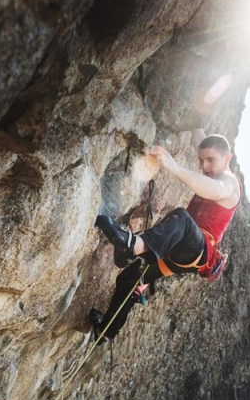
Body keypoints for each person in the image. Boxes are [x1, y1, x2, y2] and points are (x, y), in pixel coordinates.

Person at [90, 129, 242, 341]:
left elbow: (216, 191)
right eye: (201, 160)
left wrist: (175, 168)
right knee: (130, 279)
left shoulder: (229, 182)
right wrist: (196, 121)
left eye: (211, 160)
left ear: (227, 158)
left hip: (198, 248)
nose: (204, 166)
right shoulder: (213, 168)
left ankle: (133, 245)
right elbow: (200, 140)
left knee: (182, 217)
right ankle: (106, 332)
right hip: (180, 251)